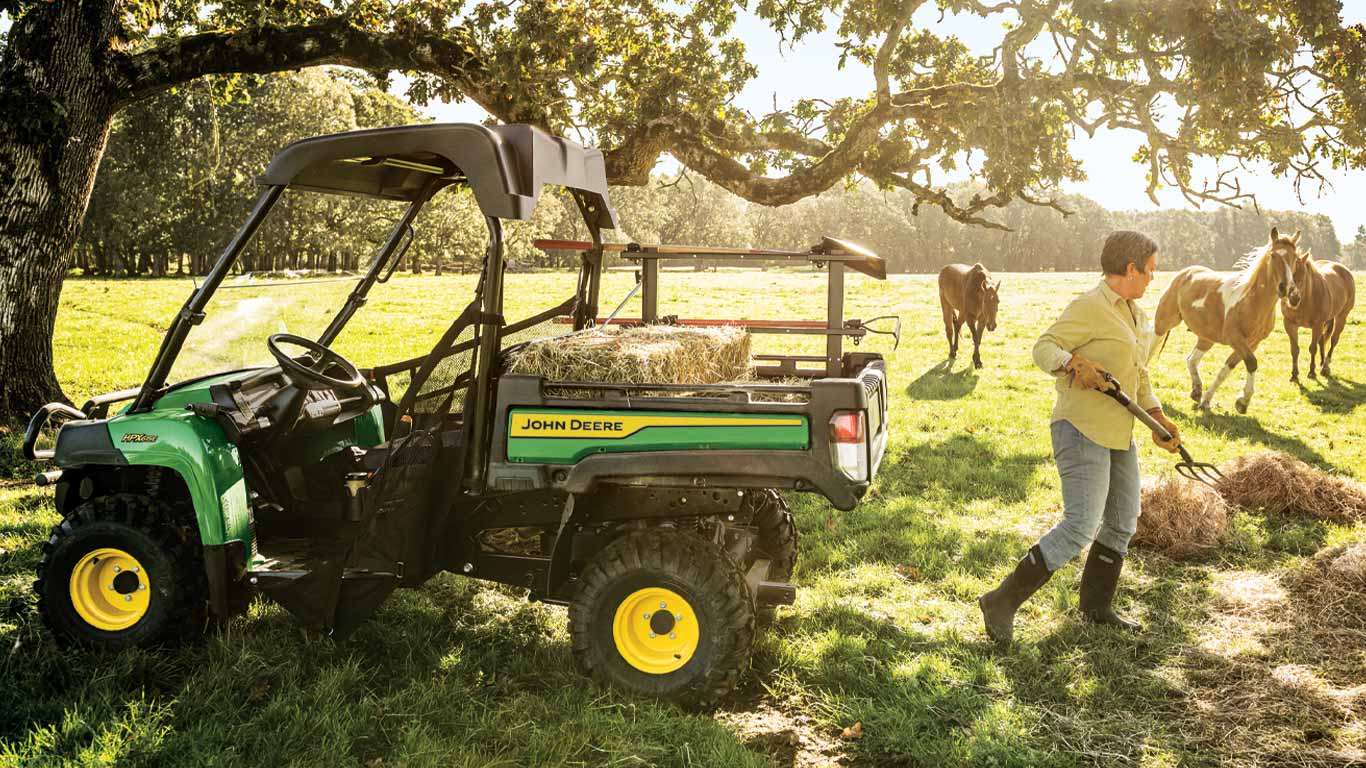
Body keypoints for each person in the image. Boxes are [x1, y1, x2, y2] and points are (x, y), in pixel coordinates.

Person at [978, 230, 1182, 643]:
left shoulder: (1134, 314)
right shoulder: (1089, 306)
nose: (1152, 281)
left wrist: (1157, 417)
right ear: (1130, 268)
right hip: (1082, 428)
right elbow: (1042, 348)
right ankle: (1001, 600)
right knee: (1079, 526)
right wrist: (1072, 362)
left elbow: (1138, 376)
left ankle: (1095, 607)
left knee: (1123, 521)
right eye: (1151, 272)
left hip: (1120, 433)